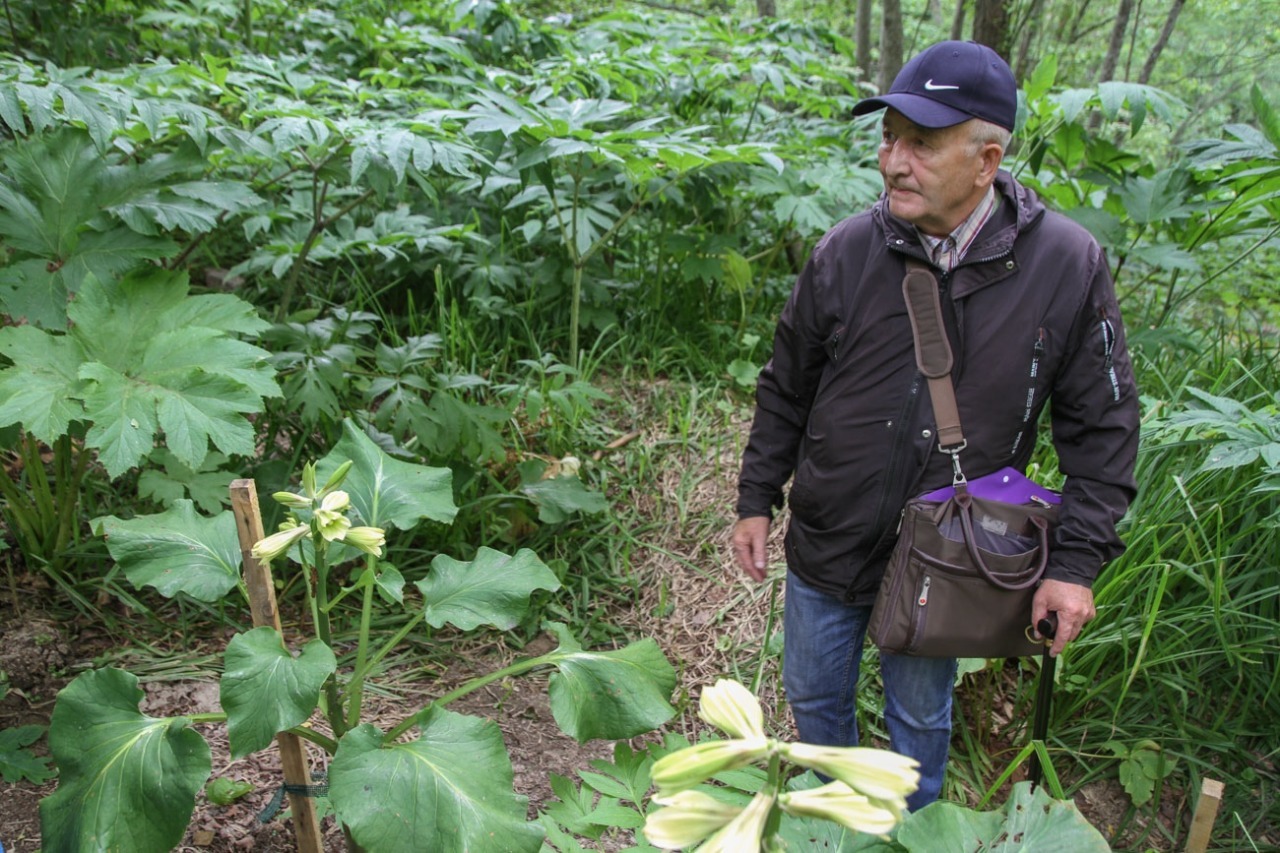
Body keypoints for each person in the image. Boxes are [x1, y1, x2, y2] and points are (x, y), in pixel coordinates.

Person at [730, 40, 1139, 811]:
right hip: (830, 534)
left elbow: (1104, 428)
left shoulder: (1066, 266)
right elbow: (787, 385)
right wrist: (758, 496)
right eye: (888, 137)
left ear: (986, 161)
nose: (892, 162)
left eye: (920, 143)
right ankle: (833, 821)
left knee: (921, 714)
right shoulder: (846, 251)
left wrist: (1076, 563)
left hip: (951, 558)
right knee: (816, 706)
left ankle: (913, 830)